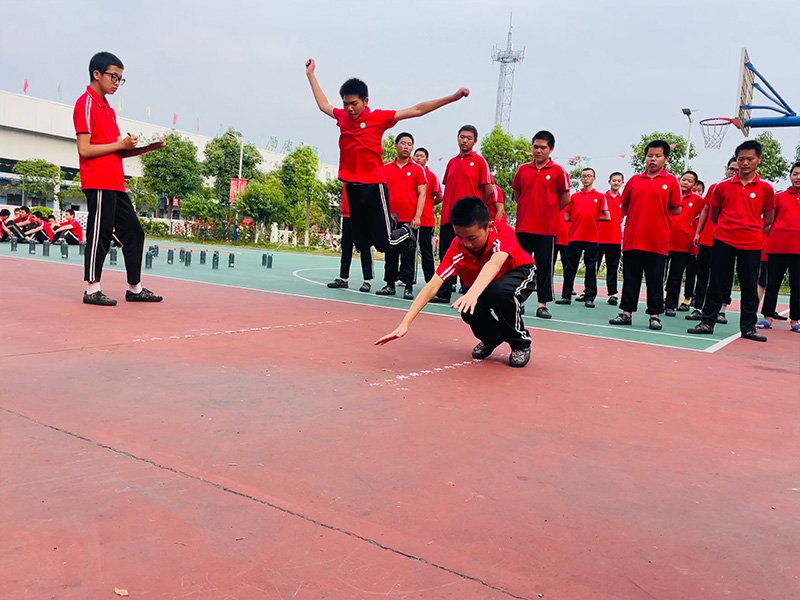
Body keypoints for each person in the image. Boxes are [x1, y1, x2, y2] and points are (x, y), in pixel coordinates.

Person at [305, 59, 467, 258]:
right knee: (361, 243)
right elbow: (323, 104)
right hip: (352, 186)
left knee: (385, 243)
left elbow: (417, 110)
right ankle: (389, 222)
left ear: (365, 101)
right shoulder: (342, 117)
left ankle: (406, 231)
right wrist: (310, 74)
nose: (349, 109)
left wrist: (453, 97)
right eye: (345, 104)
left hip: (373, 185)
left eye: (354, 104)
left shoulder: (378, 118)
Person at [375, 196, 536, 368]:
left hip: (519, 273)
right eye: (460, 237)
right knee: (469, 310)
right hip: (486, 283)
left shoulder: (502, 233)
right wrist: (405, 324)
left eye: (472, 238)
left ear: (489, 227)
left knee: (500, 293)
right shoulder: (457, 248)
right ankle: (492, 338)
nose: (467, 243)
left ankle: (520, 343)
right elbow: (433, 286)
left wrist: (472, 294)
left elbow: (495, 263)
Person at [74, 51, 165, 306]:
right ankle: (92, 289)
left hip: (115, 182)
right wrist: (120, 144)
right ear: (97, 74)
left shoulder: (108, 109)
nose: (117, 83)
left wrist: (149, 147)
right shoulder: (86, 103)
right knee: (100, 234)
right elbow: (84, 149)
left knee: (134, 232)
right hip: (98, 181)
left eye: (120, 79)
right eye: (113, 77)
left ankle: (134, 288)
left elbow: (118, 151)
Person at [688, 140, 775, 341]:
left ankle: (748, 328)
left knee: (749, 285)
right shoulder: (722, 187)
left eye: (750, 159)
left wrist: (751, 227)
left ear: (759, 160)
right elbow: (715, 214)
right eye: (741, 159)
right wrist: (728, 227)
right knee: (717, 282)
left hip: (751, 242)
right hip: (723, 239)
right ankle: (707, 322)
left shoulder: (766, 189)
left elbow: (768, 217)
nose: (745, 163)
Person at [609, 140, 682, 330]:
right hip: (633, 239)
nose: (653, 159)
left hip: (657, 240)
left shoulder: (671, 181)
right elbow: (625, 205)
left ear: (666, 159)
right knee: (630, 278)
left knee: (655, 280)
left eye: (658, 156)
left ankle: (654, 315)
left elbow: (676, 208)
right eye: (650, 156)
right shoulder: (634, 180)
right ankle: (626, 313)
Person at [431, 125, 495, 303]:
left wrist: (477, 207)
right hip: (449, 218)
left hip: (469, 221)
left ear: (475, 141)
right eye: (462, 137)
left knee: (470, 256)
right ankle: (444, 292)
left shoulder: (480, 162)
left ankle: (470, 293)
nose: (464, 140)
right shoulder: (451, 162)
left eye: (469, 138)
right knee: (446, 255)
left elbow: (489, 188)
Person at [511, 130, 571, 319]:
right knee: (520, 266)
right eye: (535, 147)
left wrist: (550, 210)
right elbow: (517, 194)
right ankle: (517, 301)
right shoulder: (523, 170)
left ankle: (542, 304)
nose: (538, 151)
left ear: (550, 149)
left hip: (546, 229)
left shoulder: (558, 171)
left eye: (543, 147)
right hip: (523, 227)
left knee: (545, 267)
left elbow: (565, 198)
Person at [687, 158, 739, 322]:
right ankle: (698, 307)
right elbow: (705, 210)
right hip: (708, 238)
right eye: (732, 169)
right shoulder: (716, 187)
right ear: (727, 169)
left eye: (737, 170)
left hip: (728, 241)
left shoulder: (742, 190)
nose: (734, 172)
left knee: (725, 276)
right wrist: (698, 232)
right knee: (702, 274)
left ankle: (721, 310)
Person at [377, 132, 427, 299]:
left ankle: (408, 286)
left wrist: (418, 216)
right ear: (396, 145)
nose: (406, 147)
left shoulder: (418, 170)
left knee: (409, 254)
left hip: (410, 221)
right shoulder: (385, 168)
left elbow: (422, 194)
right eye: (403, 143)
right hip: (390, 220)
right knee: (390, 252)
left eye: (409, 144)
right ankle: (389, 284)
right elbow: (380, 193)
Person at [556, 168, 610, 307]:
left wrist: (592, 218)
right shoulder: (574, 197)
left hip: (592, 238)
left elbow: (607, 216)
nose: (586, 178)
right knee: (570, 267)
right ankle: (566, 296)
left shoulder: (599, 196)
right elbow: (566, 215)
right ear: (580, 178)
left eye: (589, 176)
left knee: (591, 268)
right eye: (584, 176)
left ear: (594, 178)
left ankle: (589, 297)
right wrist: (576, 219)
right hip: (574, 237)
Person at [758, 161, 800, 333]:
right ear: (790, 176)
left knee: (797, 286)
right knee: (773, 283)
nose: (798, 177)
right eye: (795, 173)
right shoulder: (779, 197)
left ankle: (795, 320)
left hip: (798, 250)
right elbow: (768, 220)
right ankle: (767, 317)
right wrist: (776, 233)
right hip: (778, 248)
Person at [664, 171, 703, 316]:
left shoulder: (698, 200)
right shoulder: (670, 195)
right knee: (660, 274)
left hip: (683, 243)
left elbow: (705, 213)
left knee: (676, 275)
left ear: (694, 185)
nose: (685, 183)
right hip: (665, 239)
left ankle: (671, 304)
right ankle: (657, 302)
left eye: (689, 181)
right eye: (683, 179)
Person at [327, 187, 374, 293]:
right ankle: (344, 278)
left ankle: (367, 280)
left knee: (365, 247)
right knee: (346, 246)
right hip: (347, 214)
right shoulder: (347, 178)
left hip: (361, 214)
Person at [413, 147, 442, 283]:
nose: (418, 158)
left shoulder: (432, 176)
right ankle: (405, 277)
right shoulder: (411, 173)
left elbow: (440, 196)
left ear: (426, 159)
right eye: (417, 156)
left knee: (426, 250)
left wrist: (429, 203)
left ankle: (430, 279)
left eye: (422, 156)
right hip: (410, 218)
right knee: (408, 249)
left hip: (426, 219)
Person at [596, 172, 624, 305]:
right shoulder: (602, 198)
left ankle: (613, 293)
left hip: (615, 239)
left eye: (619, 181)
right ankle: (588, 292)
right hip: (599, 238)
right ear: (609, 182)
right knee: (593, 266)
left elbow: (622, 217)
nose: (616, 183)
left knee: (613, 267)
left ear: (622, 183)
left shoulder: (623, 200)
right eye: (614, 180)